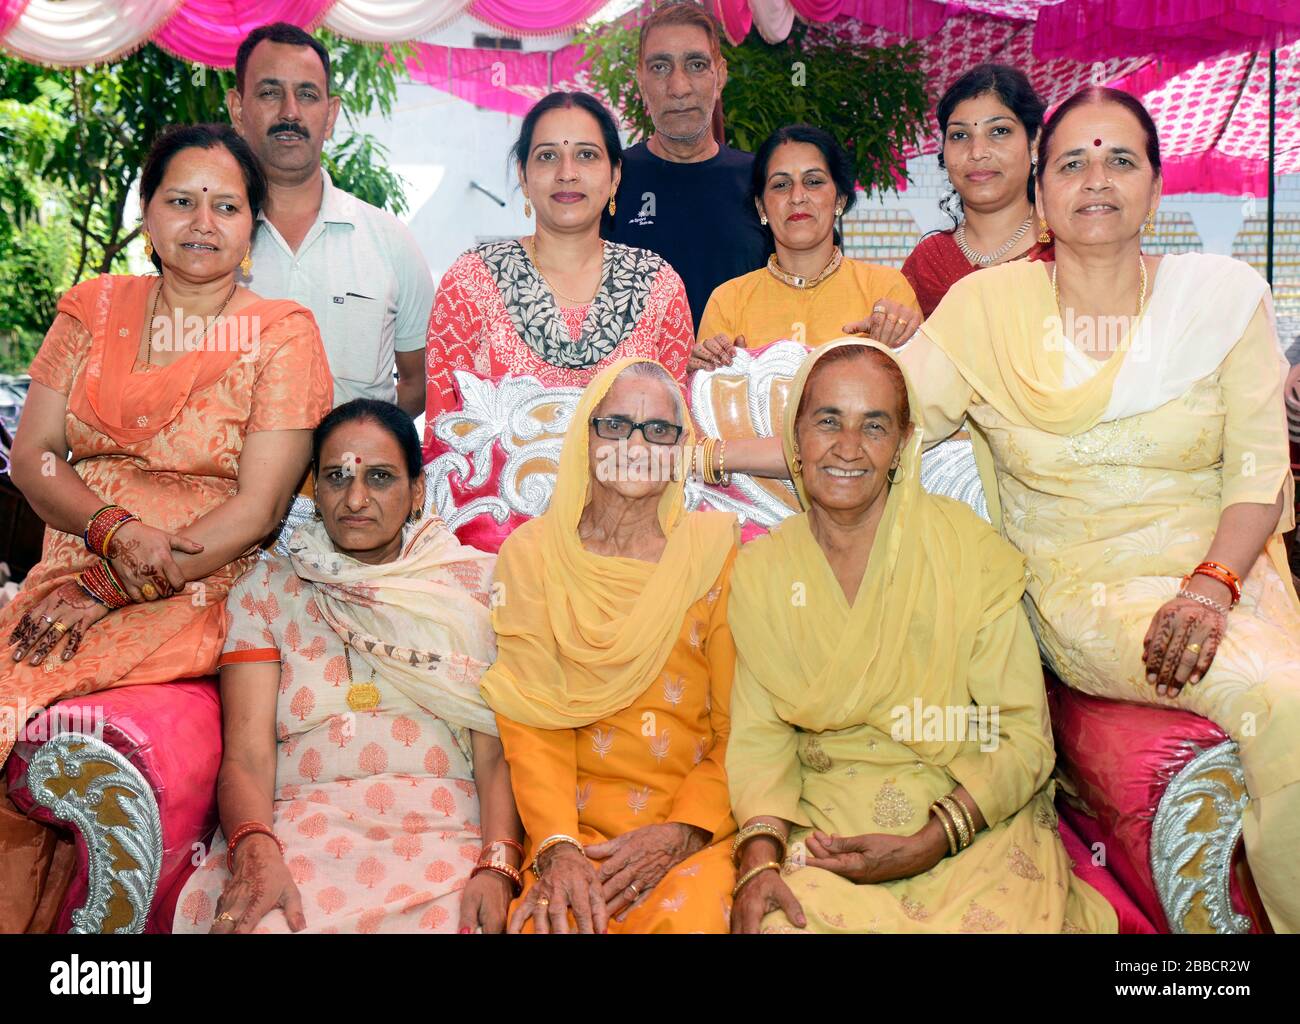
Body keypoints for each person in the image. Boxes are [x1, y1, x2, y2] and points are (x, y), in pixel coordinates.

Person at [901, 86, 1300, 932]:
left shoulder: (1222, 297)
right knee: (1287, 702)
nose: (1096, 179)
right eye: (1071, 163)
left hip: (1228, 576)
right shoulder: (987, 312)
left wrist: (1213, 583)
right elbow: (875, 416)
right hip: (1091, 594)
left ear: (1156, 187)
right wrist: (710, 445)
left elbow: (1259, 469)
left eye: (1121, 159)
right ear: (1040, 194)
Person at [1, 123, 332, 932]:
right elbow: (33, 457)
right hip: (67, 575)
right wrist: (109, 533)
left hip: (199, 587)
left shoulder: (281, 333)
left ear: (252, 225)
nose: (202, 223)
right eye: (181, 201)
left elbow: (258, 509)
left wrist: (113, 583)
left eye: (226, 206)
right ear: (147, 214)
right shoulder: (92, 310)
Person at [726, 339, 1117, 934]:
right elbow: (760, 740)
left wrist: (934, 839)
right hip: (827, 825)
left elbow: (1021, 735)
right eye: (828, 421)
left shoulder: (968, 553)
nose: (848, 447)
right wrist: (758, 863)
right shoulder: (764, 573)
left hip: (969, 813)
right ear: (795, 437)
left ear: (903, 444)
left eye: (874, 426)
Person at [173, 400, 522, 933]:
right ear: (315, 490)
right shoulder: (268, 591)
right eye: (337, 477)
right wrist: (256, 849)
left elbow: (497, 751)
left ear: (418, 490)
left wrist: (496, 866)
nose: (355, 499)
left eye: (380, 477)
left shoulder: (474, 586)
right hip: (299, 832)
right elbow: (247, 755)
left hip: (448, 832)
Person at [479, 359, 739, 933]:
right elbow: (531, 720)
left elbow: (739, 727)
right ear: (586, 438)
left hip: (686, 828)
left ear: (680, 449)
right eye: (616, 425)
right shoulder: (532, 556)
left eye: (659, 430)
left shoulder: (714, 553)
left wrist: (684, 831)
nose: (636, 446)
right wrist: (557, 845)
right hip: (574, 830)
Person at [423, 91, 694, 453]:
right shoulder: (470, 282)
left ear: (615, 176)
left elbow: (679, 440)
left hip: (634, 490)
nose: (567, 173)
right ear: (523, 175)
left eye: (586, 155)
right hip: (496, 493)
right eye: (548, 156)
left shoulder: (657, 284)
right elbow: (441, 443)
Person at [228, 22, 433, 416]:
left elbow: (419, 382)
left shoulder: (389, 243)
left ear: (331, 114)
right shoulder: (209, 242)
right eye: (270, 93)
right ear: (238, 109)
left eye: (307, 95)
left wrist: (360, 435)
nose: (290, 112)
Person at [693, 124, 920, 373]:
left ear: (840, 199)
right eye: (781, 185)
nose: (797, 197)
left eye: (813, 182)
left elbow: (916, 387)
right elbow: (708, 392)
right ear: (761, 207)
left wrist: (897, 340)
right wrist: (726, 374)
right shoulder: (728, 301)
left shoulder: (885, 291)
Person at [604, 1, 768, 332]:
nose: (678, 88)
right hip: (635, 366)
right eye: (660, 67)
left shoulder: (762, 181)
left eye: (696, 65)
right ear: (641, 82)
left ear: (720, 76)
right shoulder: (609, 181)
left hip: (742, 365)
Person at [901, 64, 1054, 318]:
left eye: (999, 131)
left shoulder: (1066, 246)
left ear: (1034, 141)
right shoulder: (928, 263)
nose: (977, 152)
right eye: (960, 135)